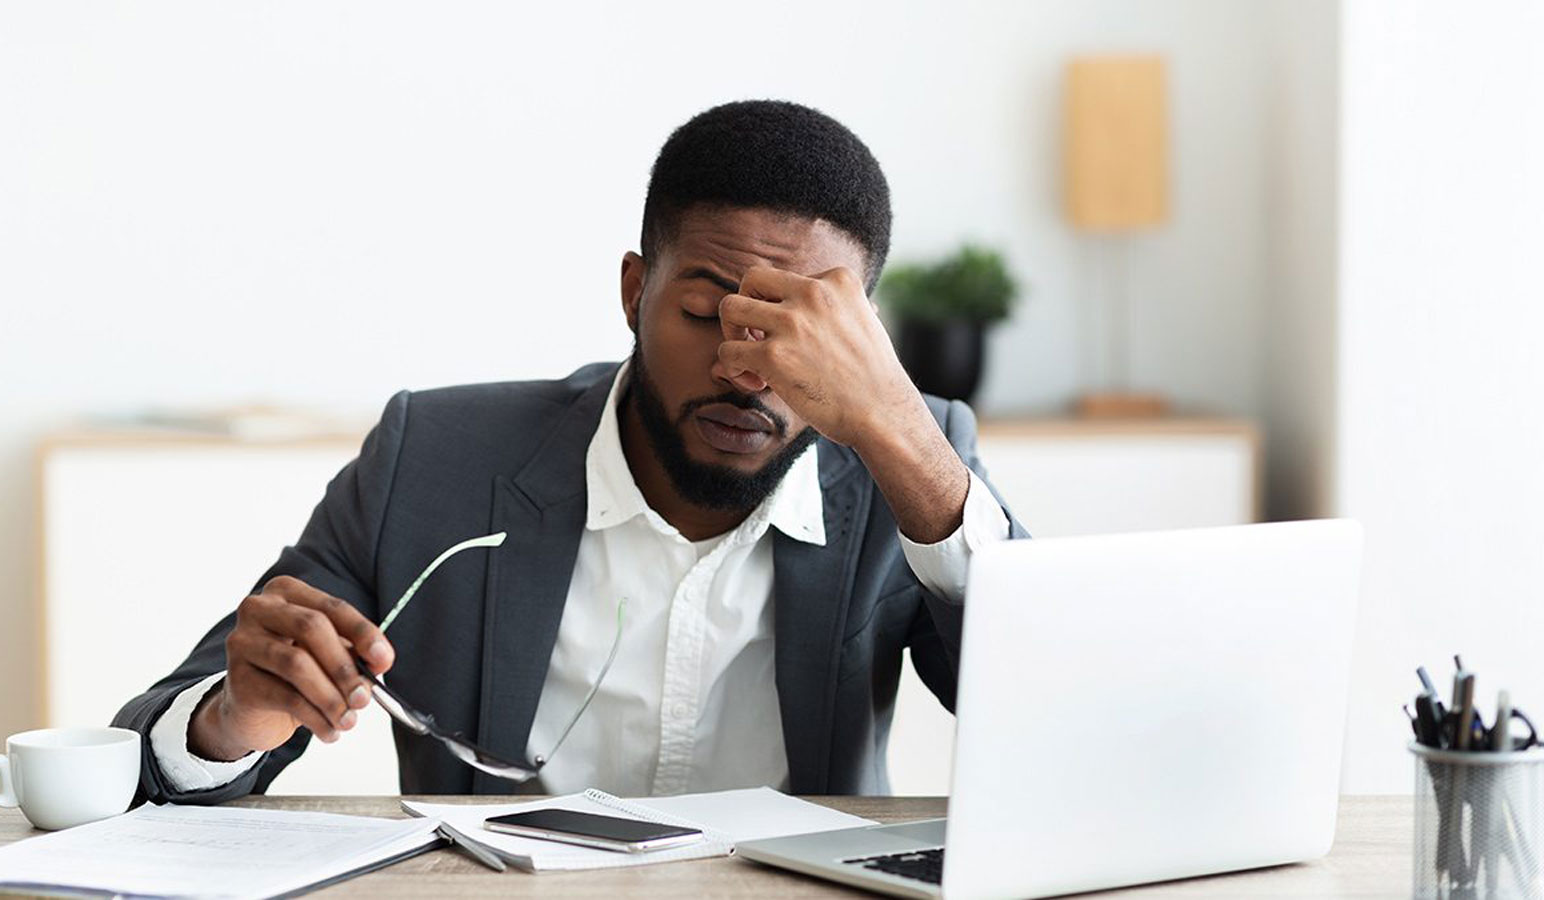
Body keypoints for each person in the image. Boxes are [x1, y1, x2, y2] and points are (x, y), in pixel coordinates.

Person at [114, 99, 1028, 804]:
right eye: (707, 312)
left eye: (798, 333)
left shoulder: (911, 467)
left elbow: (1063, 724)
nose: (748, 373)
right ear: (635, 290)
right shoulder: (432, 458)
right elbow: (151, 756)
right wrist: (232, 719)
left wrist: (901, 432)